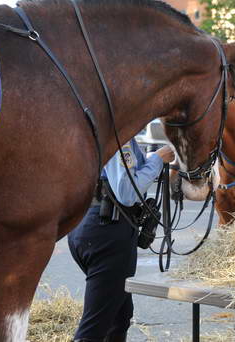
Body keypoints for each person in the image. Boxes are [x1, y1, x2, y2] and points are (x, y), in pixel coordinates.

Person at [68, 138, 174, 342]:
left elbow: (127, 172)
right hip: (108, 233)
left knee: (120, 316)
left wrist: (153, 159)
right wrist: (158, 160)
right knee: (95, 328)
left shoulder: (109, 130)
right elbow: (126, 192)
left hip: (92, 226)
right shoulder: (120, 137)